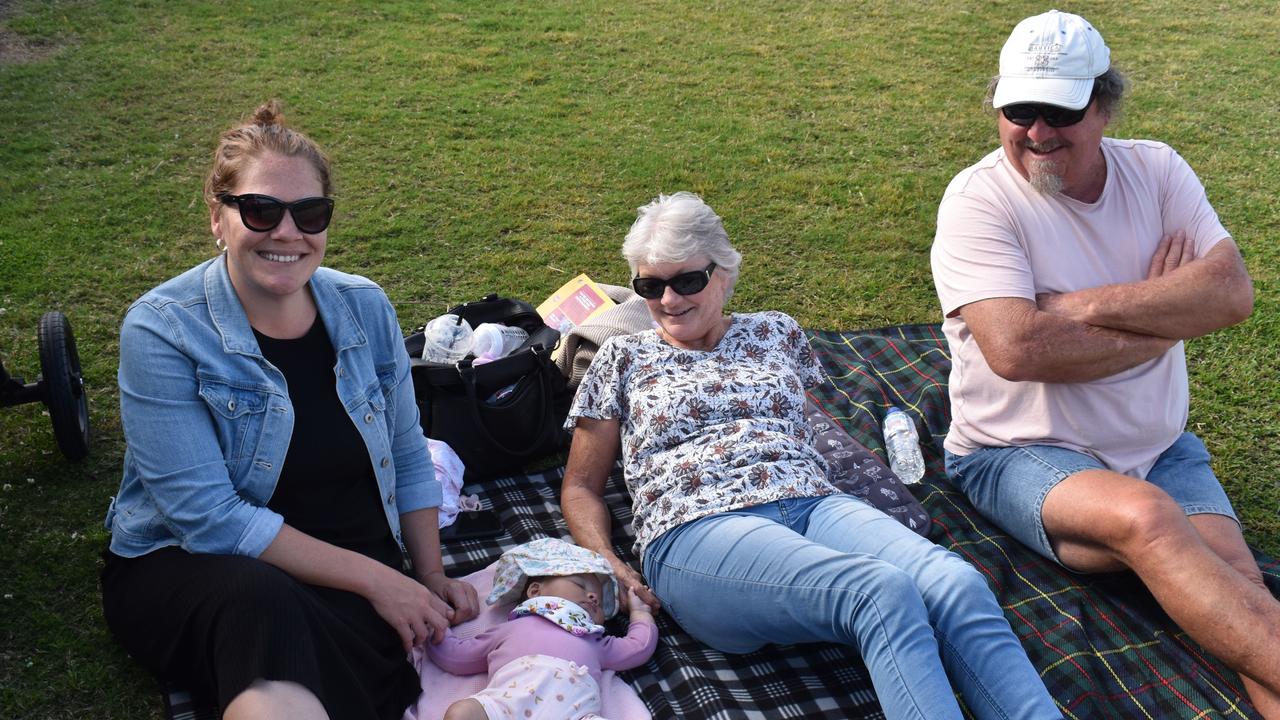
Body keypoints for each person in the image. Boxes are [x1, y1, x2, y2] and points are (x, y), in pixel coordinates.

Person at [561, 191, 1062, 720]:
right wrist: (607, 559)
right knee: (879, 592)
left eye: (687, 281)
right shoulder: (622, 356)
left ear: (724, 274)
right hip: (696, 526)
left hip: (812, 501)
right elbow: (580, 486)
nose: (668, 299)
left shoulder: (776, 332)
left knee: (956, 584)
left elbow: (805, 431)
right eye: (650, 285)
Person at [930, 10, 1279, 716]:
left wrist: (1078, 306)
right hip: (1018, 452)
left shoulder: (1156, 169)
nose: (1036, 132)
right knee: (1150, 520)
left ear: (1104, 105)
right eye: (1019, 109)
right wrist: (1160, 320)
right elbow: (1017, 348)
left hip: (1156, 445)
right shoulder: (978, 201)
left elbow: (1230, 294)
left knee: (1240, 583)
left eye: (1059, 109)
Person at [99, 100, 479, 720]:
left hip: (348, 559)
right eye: (261, 210)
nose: (287, 232)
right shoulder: (163, 330)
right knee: (262, 604)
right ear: (218, 218)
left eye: (310, 212)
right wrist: (379, 581)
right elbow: (207, 518)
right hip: (199, 566)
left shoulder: (365, 307)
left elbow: (407, 450)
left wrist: (427, 575)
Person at [427, 537, 658, 720]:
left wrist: (640, 613)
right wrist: (437, 621)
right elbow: (457, 655)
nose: (592, 596)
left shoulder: (593, 638)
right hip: (506, 707)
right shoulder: (512, 628)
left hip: (574, 713)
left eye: (598, 599)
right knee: (462, 713)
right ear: (535, 591)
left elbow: (637, 647)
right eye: (580, 584)